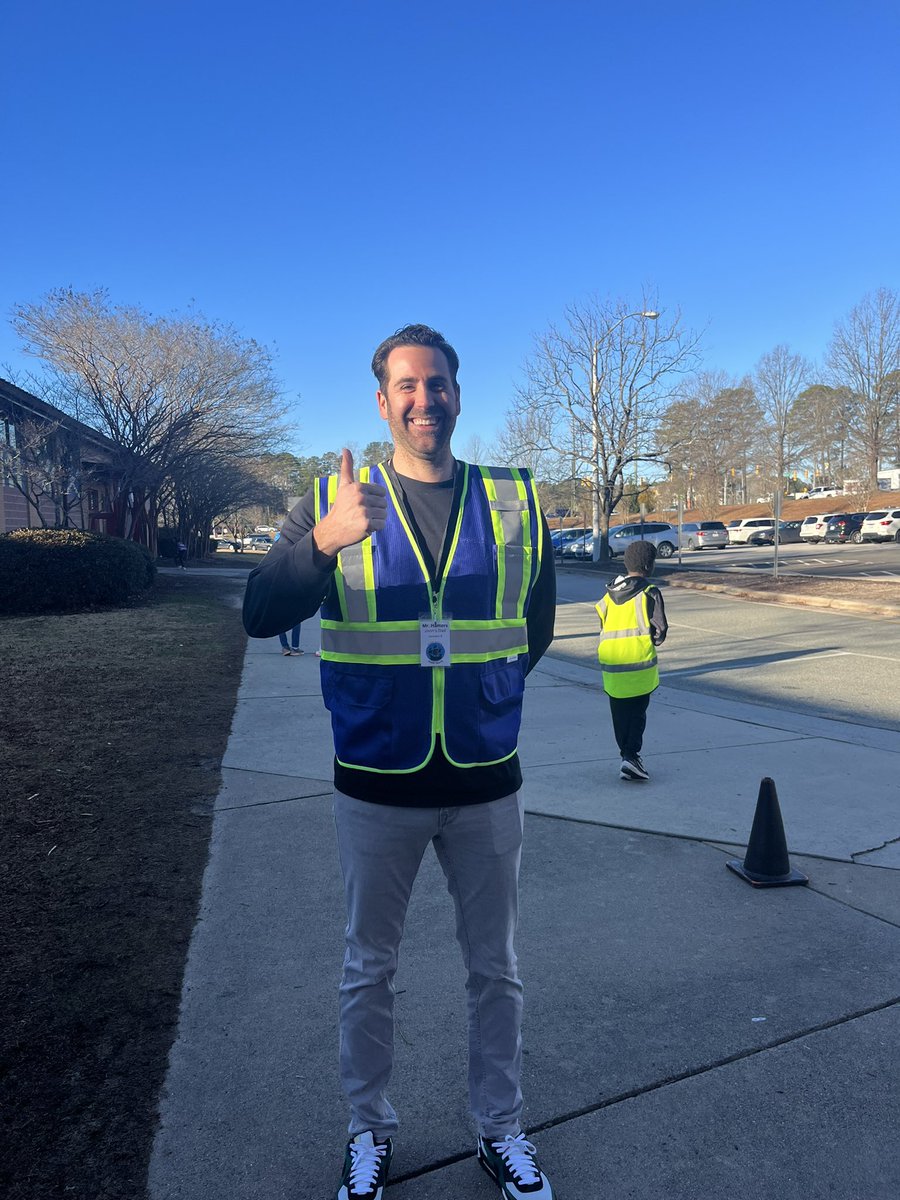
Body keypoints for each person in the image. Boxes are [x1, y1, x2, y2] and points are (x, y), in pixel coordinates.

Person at [243, 324, 556, 1200]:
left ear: (460, 393)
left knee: (496, 969)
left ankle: (501, 1131)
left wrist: (479, 702)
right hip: (377, 781)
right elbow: (261, 611)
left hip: (488, 779)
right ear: (382, 401)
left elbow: (531, 632)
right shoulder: (332, 498)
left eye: (440, 383)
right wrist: (325, 542)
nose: (426, 399)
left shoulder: (512, 500)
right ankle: (368, 1132)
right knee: (367, 969)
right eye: (408, 386)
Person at [595, 540, 668, 781]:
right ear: (649, 565)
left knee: (619, 714)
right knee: (637, 714)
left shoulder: (607, 596)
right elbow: (659, 630)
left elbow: (603, 625)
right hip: (638, 666)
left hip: (612, 668)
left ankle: (626, 756)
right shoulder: (649, 593)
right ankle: (631, 757)